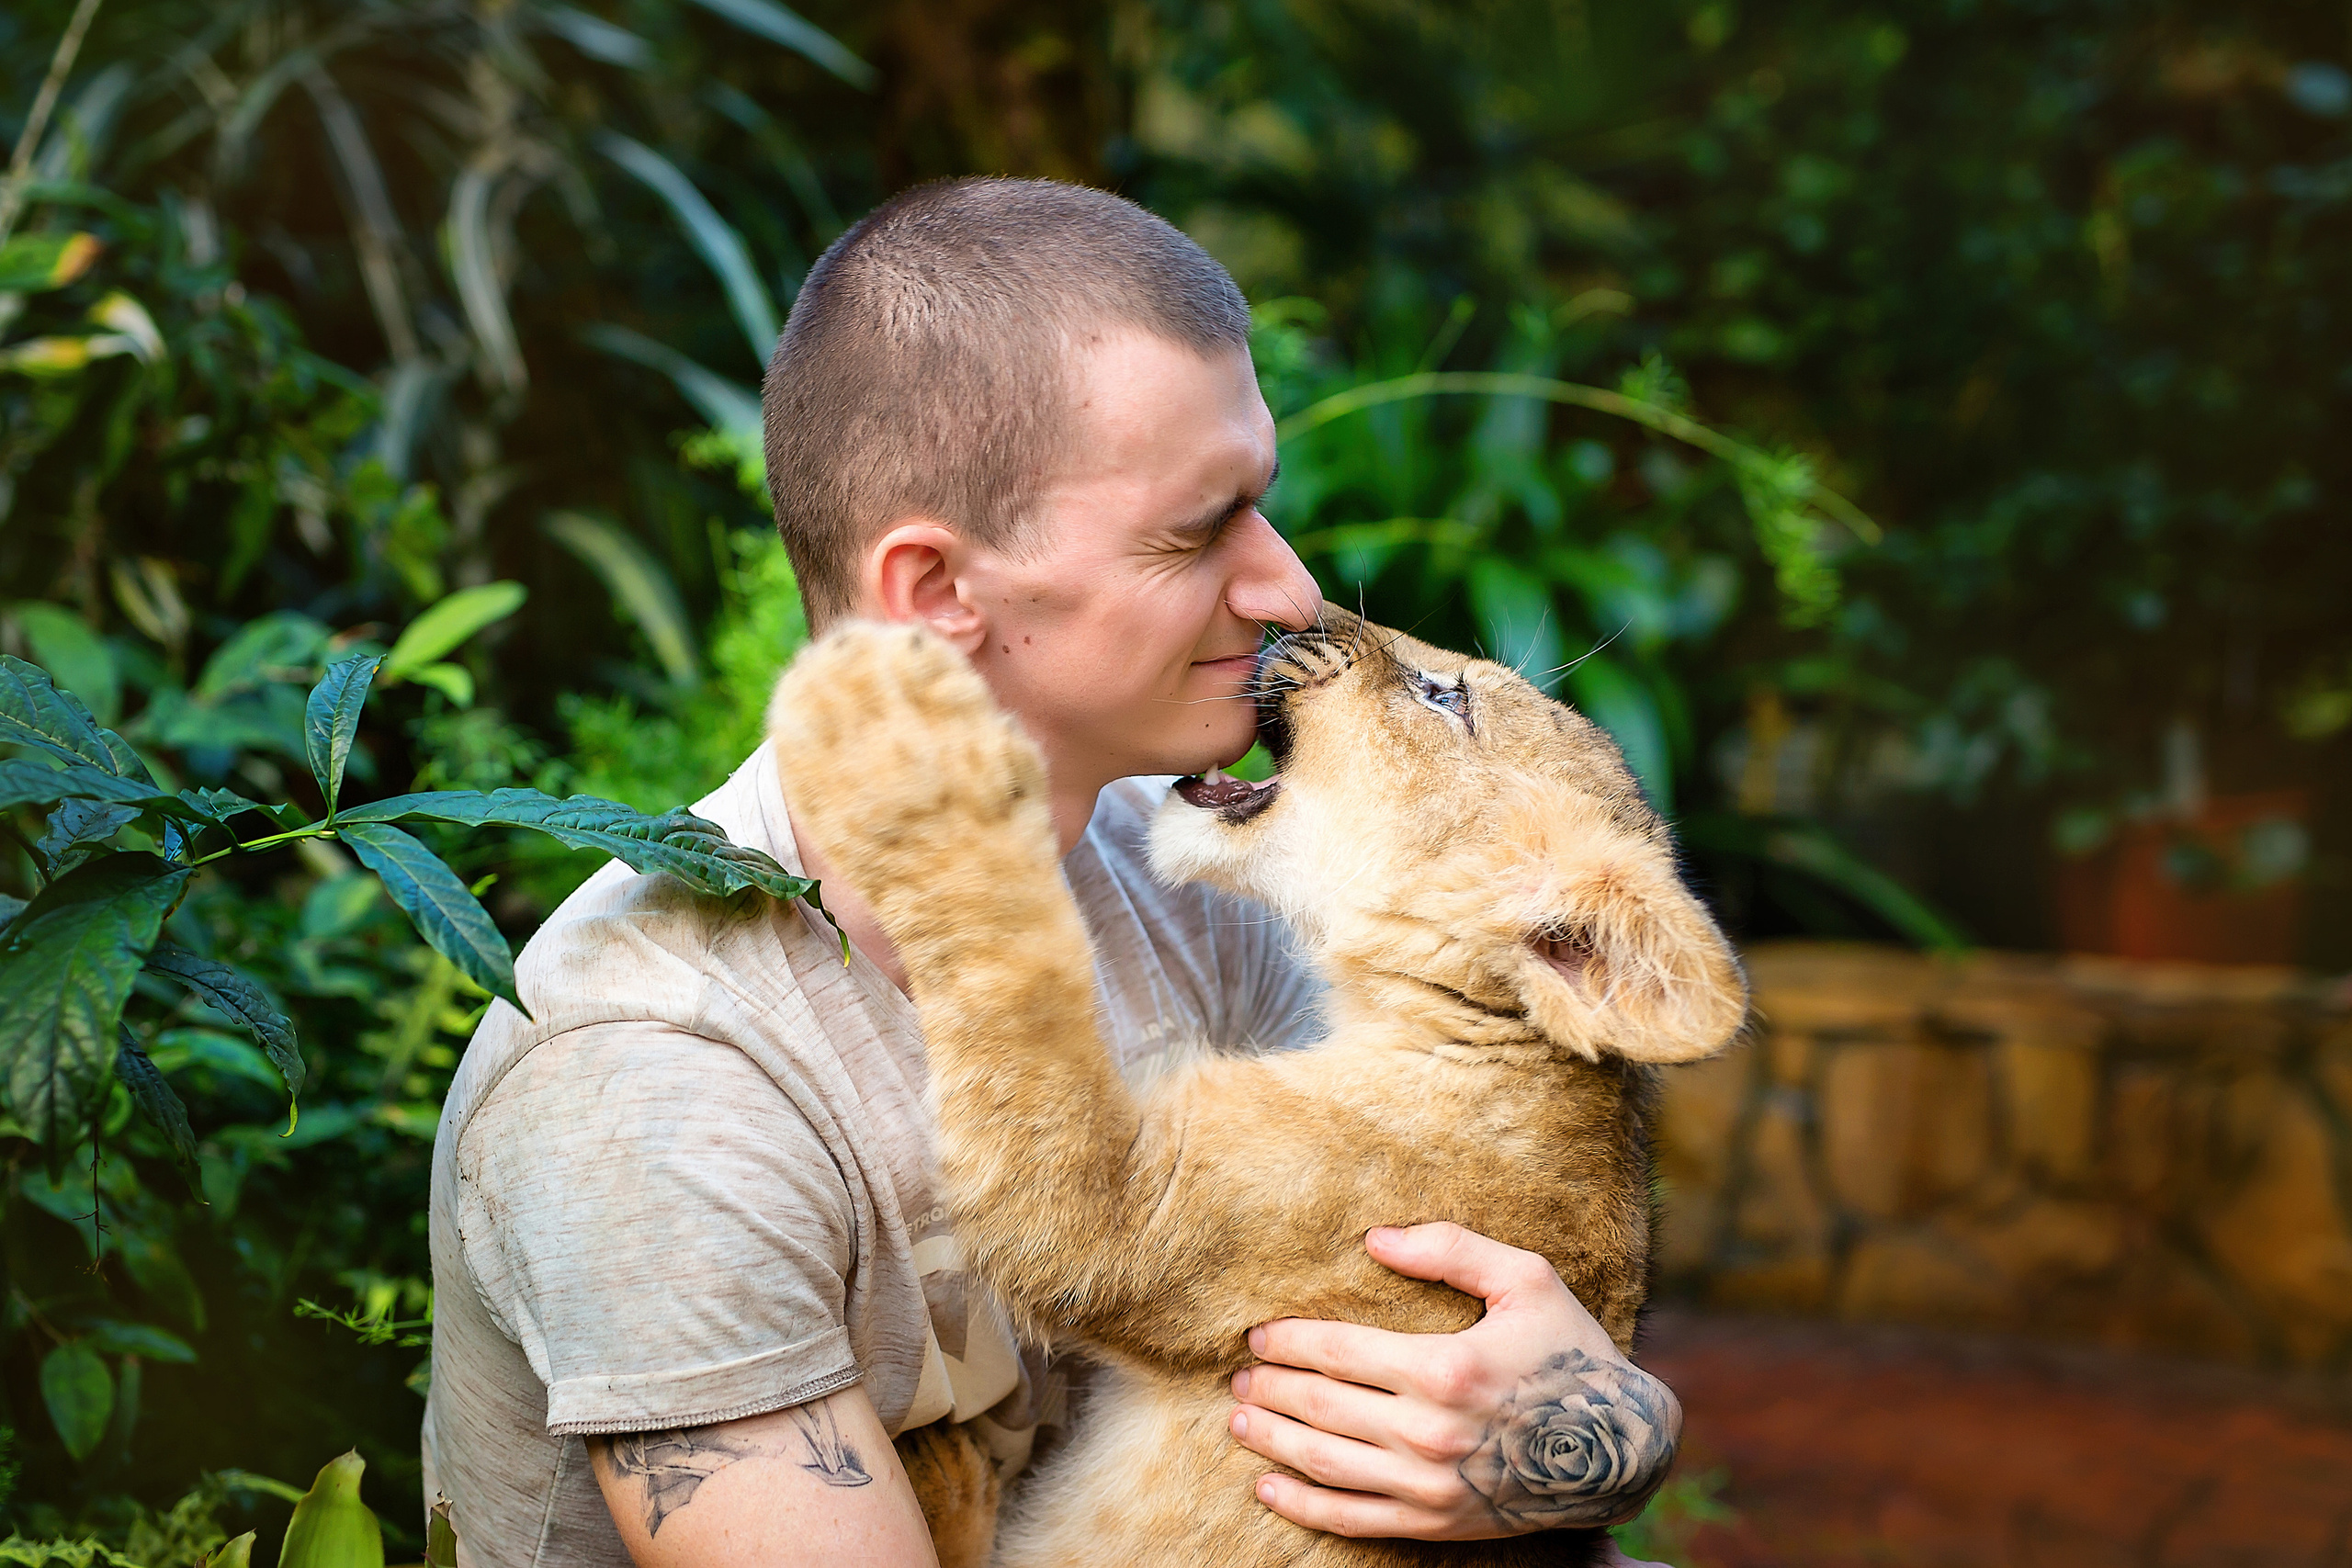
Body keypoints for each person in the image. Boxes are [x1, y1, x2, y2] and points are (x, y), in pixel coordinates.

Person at [423, 176, 1679, 1567]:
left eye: (1262, 506)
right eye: (1196, 531)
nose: (1291, 589)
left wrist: (1592, 1431)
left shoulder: (1198, 865)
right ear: (936, 593)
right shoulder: (651, 1081)